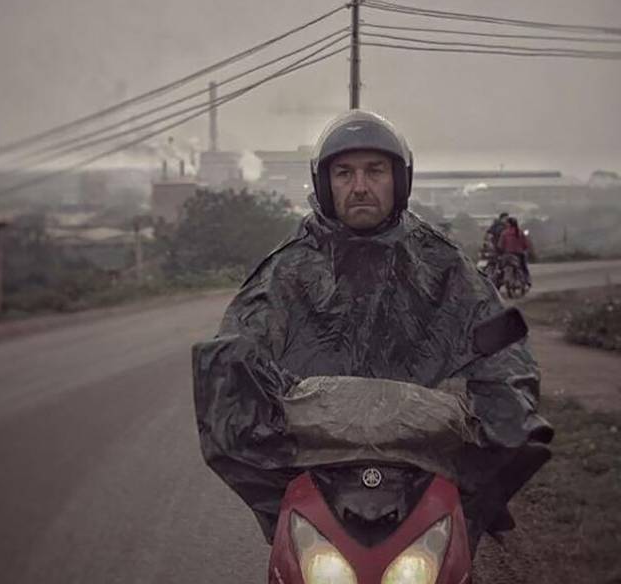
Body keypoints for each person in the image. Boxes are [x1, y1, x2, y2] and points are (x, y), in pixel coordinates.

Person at [192, 110, 552, 553]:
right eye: (344, 173)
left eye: (375, 171)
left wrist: (500, 421)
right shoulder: (286, 269)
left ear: (400, 179)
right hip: (317, 477)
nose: (360, 186)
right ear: (325, 183)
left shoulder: (444, 264)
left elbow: (503, 353)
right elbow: (237, 353)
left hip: (424, 474)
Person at [498, 216, 532, 287]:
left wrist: (502, 251)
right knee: (524, 267)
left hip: (507, 254)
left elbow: (500, 245)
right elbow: (526, 244)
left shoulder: (504, 233)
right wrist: (524, 249)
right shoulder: (520, 232)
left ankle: (500, 280)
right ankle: (527, 280)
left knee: (501, 267)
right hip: (519, 254)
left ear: (509, 224)